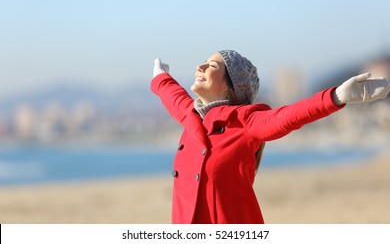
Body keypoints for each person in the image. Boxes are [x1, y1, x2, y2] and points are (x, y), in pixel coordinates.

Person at [151, 50, 390, 224]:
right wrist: (160, 77)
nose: (200, 67)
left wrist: (336, 96)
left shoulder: (245, 121)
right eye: (202, 62)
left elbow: (288, 117)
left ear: (229, 86)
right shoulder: (191, 117)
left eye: (212, 66)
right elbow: (174, 96)